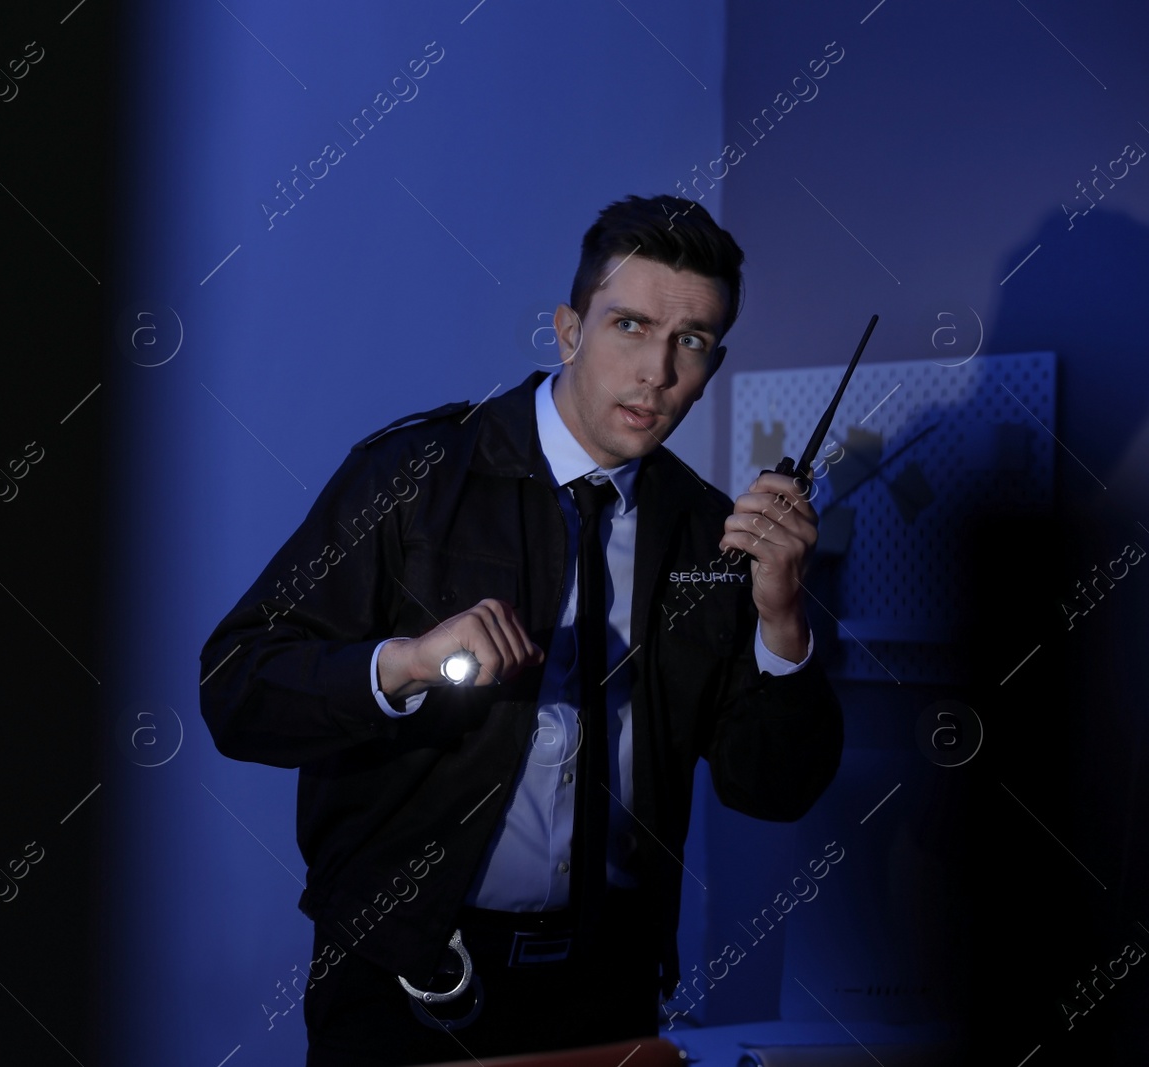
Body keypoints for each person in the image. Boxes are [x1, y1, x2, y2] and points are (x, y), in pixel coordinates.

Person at [199, 194, 844, 1066]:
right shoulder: (413, 477)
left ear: (714, 360)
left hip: (607, 990)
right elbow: (238, 686)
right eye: (629, 324)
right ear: (567, 328)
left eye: (689, 341)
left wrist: (783, 621)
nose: (656, 371)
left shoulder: (707, 533)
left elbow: (772, 788)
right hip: (408, 982)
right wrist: (406, 666)